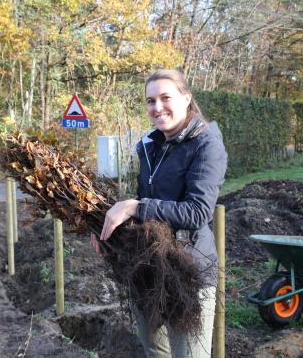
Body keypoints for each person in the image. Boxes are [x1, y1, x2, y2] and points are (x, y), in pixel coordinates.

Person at [91, 69, 227, 357]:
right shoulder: (150, 146)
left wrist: (136, 206)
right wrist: (106, 231)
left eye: (165, 98)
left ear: (186, 98)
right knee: (155, 351)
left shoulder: (206, 144)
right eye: (150, 101)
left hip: (189, 273)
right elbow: (145, 206)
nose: (157, 107)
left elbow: (197, 212)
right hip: (148, 268)